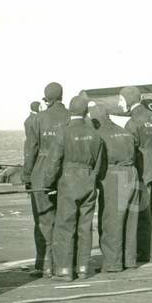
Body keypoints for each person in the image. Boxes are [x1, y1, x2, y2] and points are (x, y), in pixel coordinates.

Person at [45, 95, 105, 279]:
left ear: (70, 111)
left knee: (65, 226)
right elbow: (99, 163)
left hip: (68, 180)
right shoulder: (95, 134)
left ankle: (64, 270)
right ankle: (83, 268)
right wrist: (92, 178)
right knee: (85, 227)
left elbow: (54, 161)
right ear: (86, 112)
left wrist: (49, 183)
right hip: (88, 181)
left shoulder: (64, 132)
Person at [23, 82, 69, 276]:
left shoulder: (37, 119)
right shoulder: (70, 117)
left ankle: (45, 265)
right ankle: (65, 263)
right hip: (66, 171)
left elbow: (30, 150)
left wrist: (27, 176)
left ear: (46, 97)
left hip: (41, 171)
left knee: (43, 220)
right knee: (64, 219)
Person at [90, 103, 140, 272]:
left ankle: (112, 263)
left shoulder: (99, 134)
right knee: (130, 220)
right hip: (132, 174)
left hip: (114, 175)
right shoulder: (124, 131)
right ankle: (130, 260)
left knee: (112, 220)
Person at [122, 86, 152, 263]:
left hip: (143, 167)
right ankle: (151, 249)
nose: (120, 103)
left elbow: (130, 150)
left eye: (121, 99)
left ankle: (145, 251)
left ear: (128, 100)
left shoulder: (132, 123)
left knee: (142, 210)